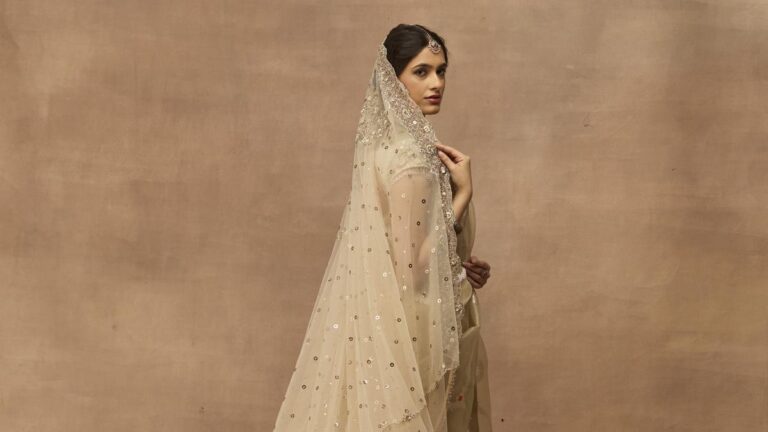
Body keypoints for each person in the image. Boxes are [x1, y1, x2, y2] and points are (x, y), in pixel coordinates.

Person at [272, 24, 493, 432]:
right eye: (421, 72)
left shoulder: (382, 148)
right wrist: (462, 195)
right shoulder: (412, 160)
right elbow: (413, 270)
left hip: (382, 320)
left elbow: (400, 247)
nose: (436, 83)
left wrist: (459, 267)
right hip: (412, 329)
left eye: (441, 71)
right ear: (393, 79)